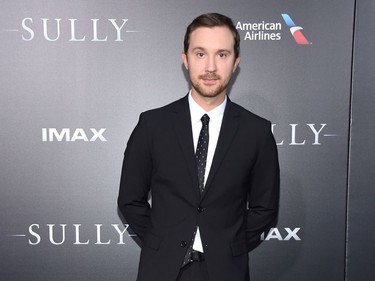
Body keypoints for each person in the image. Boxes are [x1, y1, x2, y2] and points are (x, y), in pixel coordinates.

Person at [118, 13, 280, 281]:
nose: (211, 67)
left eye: (222, 55)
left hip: (227, 271)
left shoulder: (257, 132)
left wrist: (228, 245)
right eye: (201, 54)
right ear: (186, 59)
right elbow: (130, 199)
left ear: (235, 62)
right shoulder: (152, 125)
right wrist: (163, 244)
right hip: (161, 271)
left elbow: (265, 209)